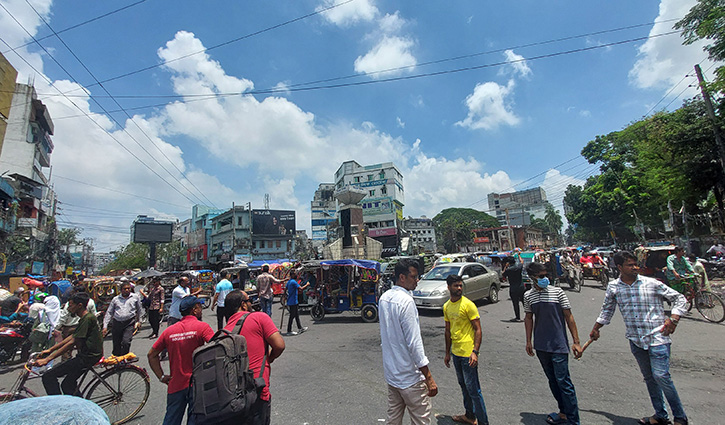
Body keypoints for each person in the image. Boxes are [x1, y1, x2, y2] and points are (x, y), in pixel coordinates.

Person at [589, 251, 688, 425]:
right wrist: (596, 328)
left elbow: (680, 299)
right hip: (636, 340)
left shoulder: (652, 284)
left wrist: (674, 319)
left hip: (658, 337)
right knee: (649, 378)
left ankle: (680, 417)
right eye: (629, 265)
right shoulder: (614, 287)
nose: (635, 267)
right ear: (619, 267)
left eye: (635, 264)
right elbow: (607, 310)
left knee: (661, 376)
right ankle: (660, 415)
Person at [379, 258, 438, 425]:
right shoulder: (406, 301)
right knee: (421, 420)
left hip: (392, 375)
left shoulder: (384, 298)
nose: (417, 281)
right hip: (410, 378)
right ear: (402, 277)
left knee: (394, 419)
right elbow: (414, 343)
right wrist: (428, 376)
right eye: (414, 277)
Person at [524, 262, 582, 425]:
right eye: (541, 276)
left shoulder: (558, 292)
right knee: (552, 380)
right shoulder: (529, 296)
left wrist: (576, 342)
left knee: (563, 381)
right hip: (541, 345)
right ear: (532, 278)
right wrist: (528, 341)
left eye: (546, 275)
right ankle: (563, 412)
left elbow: (569, 317)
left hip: (559, 345)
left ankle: (573, 420)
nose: (545, 279)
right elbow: (528, 318)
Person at [221, 290, 286, 425]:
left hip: (231, 397)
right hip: (257, 391)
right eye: (248, 300)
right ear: (243, 305)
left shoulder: (223, 332)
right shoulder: (258, 317)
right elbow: (279, 345)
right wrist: (270, 358)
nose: (251, 303)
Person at [148, 296, 214, 425]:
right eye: (199, 307)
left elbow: (151, 355)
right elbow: (217, 346)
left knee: (171, 419)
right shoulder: (202, 327)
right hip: (196, 384)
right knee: (195, 419)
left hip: (175, 384)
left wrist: (161, 377)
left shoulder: (169, 331)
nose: (201, 310)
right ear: (194, 310)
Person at [35, 292, 103, 396]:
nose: (68, 308)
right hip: (85, 356)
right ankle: (79, 406)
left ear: (79, 305)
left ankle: (59, 405)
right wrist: (50, 350)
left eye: (71, 305)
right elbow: (72, 337)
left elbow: (72, 342)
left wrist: (47, 359)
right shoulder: (84, 318)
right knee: (68, 384)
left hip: (88, 357)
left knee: (48, 376)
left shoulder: (88, 318)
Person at [443, 275, 488, 425]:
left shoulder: (468, 305)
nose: (459, 288)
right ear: (448, 287)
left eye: (460, 285)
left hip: (468, 354)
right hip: (456, 353)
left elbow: (478, 329)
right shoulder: (447, 306)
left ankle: (483, 422)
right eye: (456, 286)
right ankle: (469, 415)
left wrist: (475, 352)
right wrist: (447, 353)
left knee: (474, 390)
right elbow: (448, 331)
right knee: (463, 386)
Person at [53, 288, 97, 360]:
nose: (69, 309)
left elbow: (72, 341)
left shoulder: (71, 304)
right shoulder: (91, 302)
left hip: (69, 328)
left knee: (67, 352)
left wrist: (56, 328)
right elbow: (94, 313)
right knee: (81, 349)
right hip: (81, 328)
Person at [103, 281, 143, 356]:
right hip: (117, 323)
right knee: (116, 344)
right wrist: (105, 326)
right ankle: (117, 361)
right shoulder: (115, 299)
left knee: (126, 342)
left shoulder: (135, 297)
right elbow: (109, 312)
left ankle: (125, 358)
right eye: (125, 289)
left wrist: (140, 321)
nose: (127, 290)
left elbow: (140, 310)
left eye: (128, 288)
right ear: (121, 290)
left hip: (129, 323)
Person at [284, 270, 309, 336]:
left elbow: (285, 289)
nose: (296, 275)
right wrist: (307, 285)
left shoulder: (289, 282)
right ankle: (289, 330)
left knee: (296, 315)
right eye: (295, 274)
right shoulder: (293, 282)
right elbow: (301, 289)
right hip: (293, 302)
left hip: (292, 301)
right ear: (292, 275)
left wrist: (285, 297)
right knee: (292, 316)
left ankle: (300, 327)